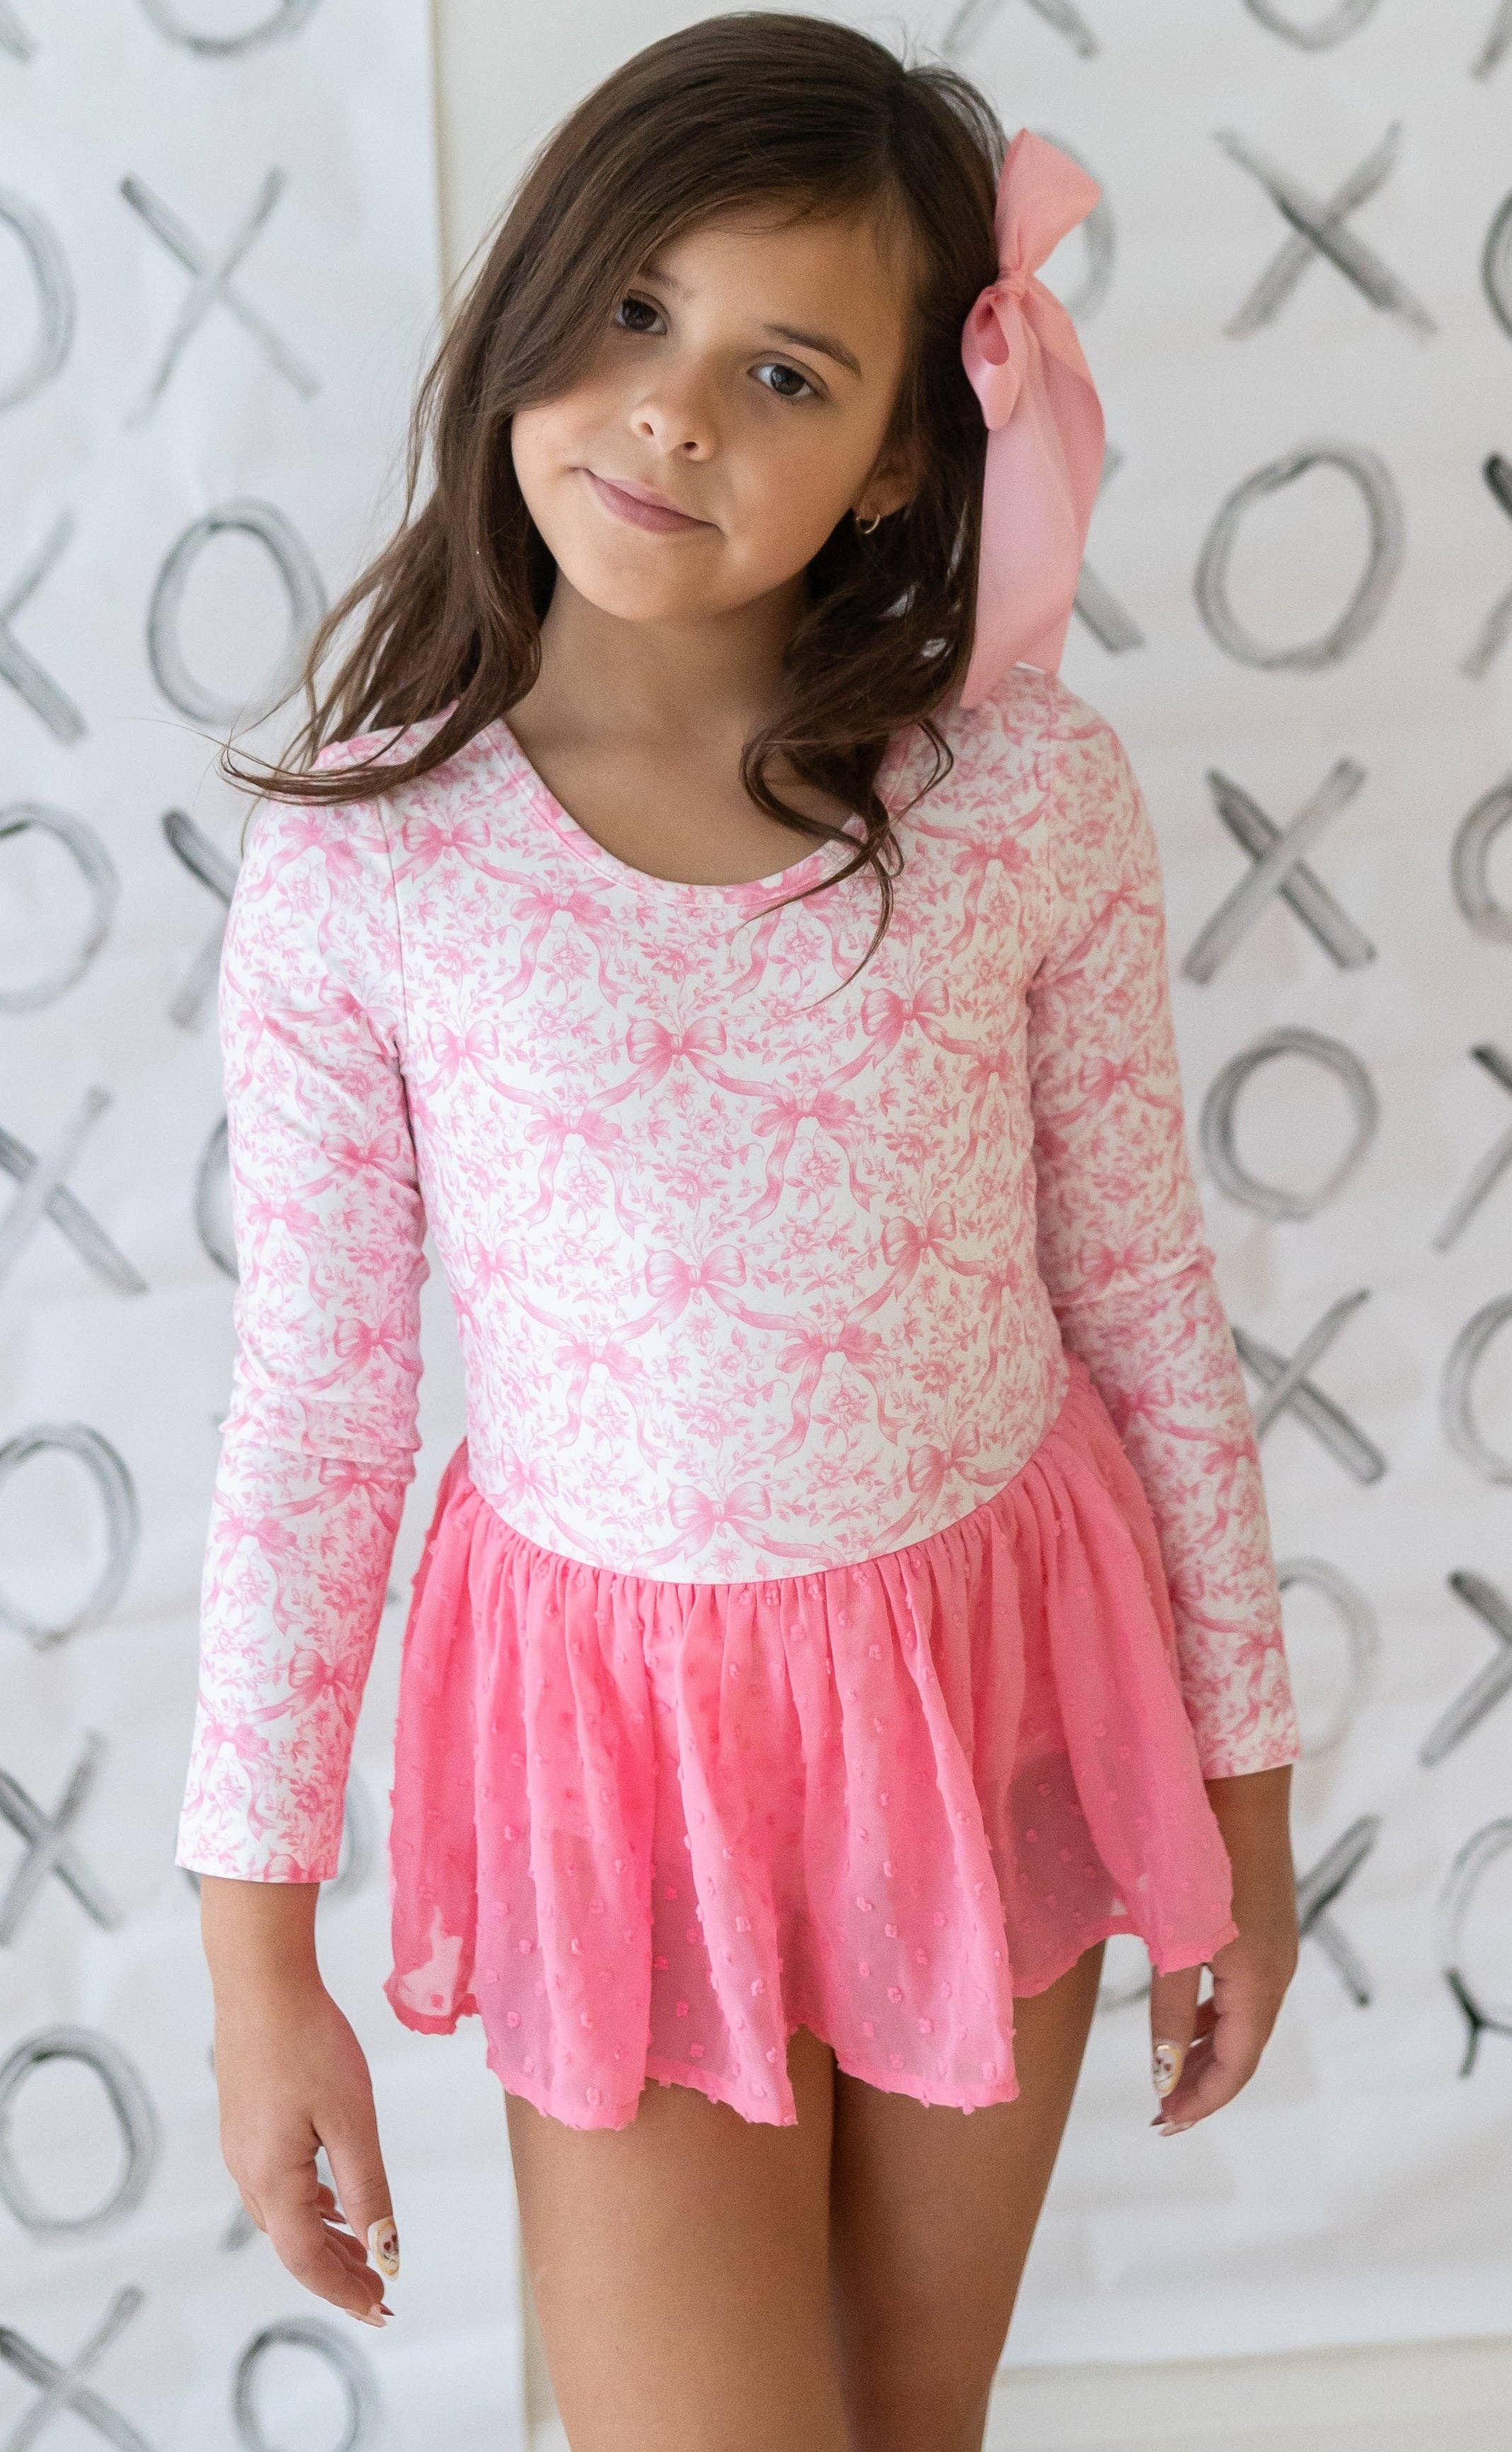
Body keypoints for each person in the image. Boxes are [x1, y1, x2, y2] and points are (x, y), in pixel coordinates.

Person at [173, 15, 1303, 2448]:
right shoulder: (370, 867)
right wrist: (256, 1955)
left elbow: (1141, 1301)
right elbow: (319, 1422)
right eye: (630, 313)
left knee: (907, 2421)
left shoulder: (1020, 798)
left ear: (898, 451)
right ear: (526, 304)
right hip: (621, 1769)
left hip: (990, 1682)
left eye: (781, 371)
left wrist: (1243, 1802)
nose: (673, 411)